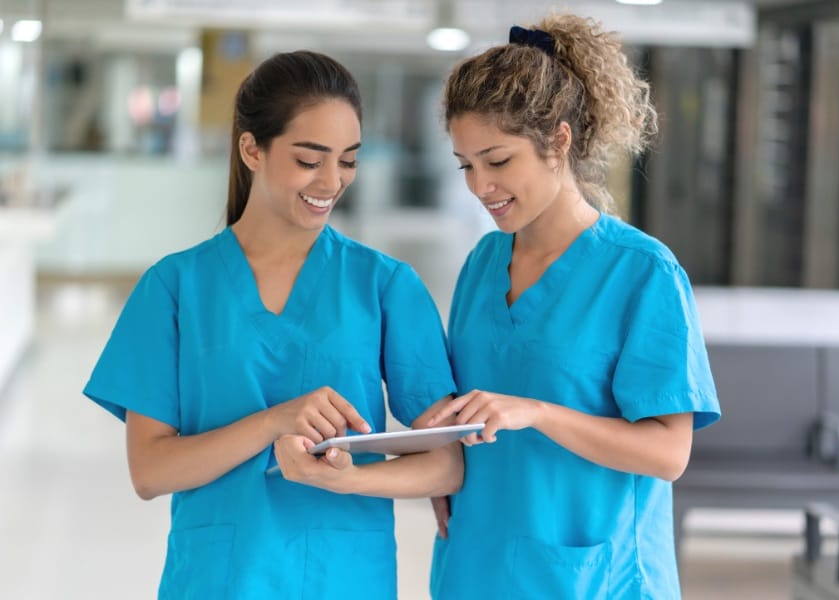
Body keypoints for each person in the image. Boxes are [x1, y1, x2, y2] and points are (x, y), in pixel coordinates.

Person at [83, 50, 461, 599]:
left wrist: (348, 478)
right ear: (251, 148)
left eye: (349, 160)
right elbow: (150, 471)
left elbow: (445, 463)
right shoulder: (175, 287)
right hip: (219, 578)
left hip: (344, 576)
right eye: (310, 159)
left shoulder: (385, 286)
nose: (332, 181)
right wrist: (273, 422)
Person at [425, 14, 721, 600]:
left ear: (559, 141)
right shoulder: (483, 262)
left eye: (498, 160)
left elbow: (668, 452)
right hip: (478, 561)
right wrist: (439, 445)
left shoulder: (640, 272)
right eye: (466, 165)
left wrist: (538, 412)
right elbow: (476, 405)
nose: (479, 186)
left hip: (592, 576)